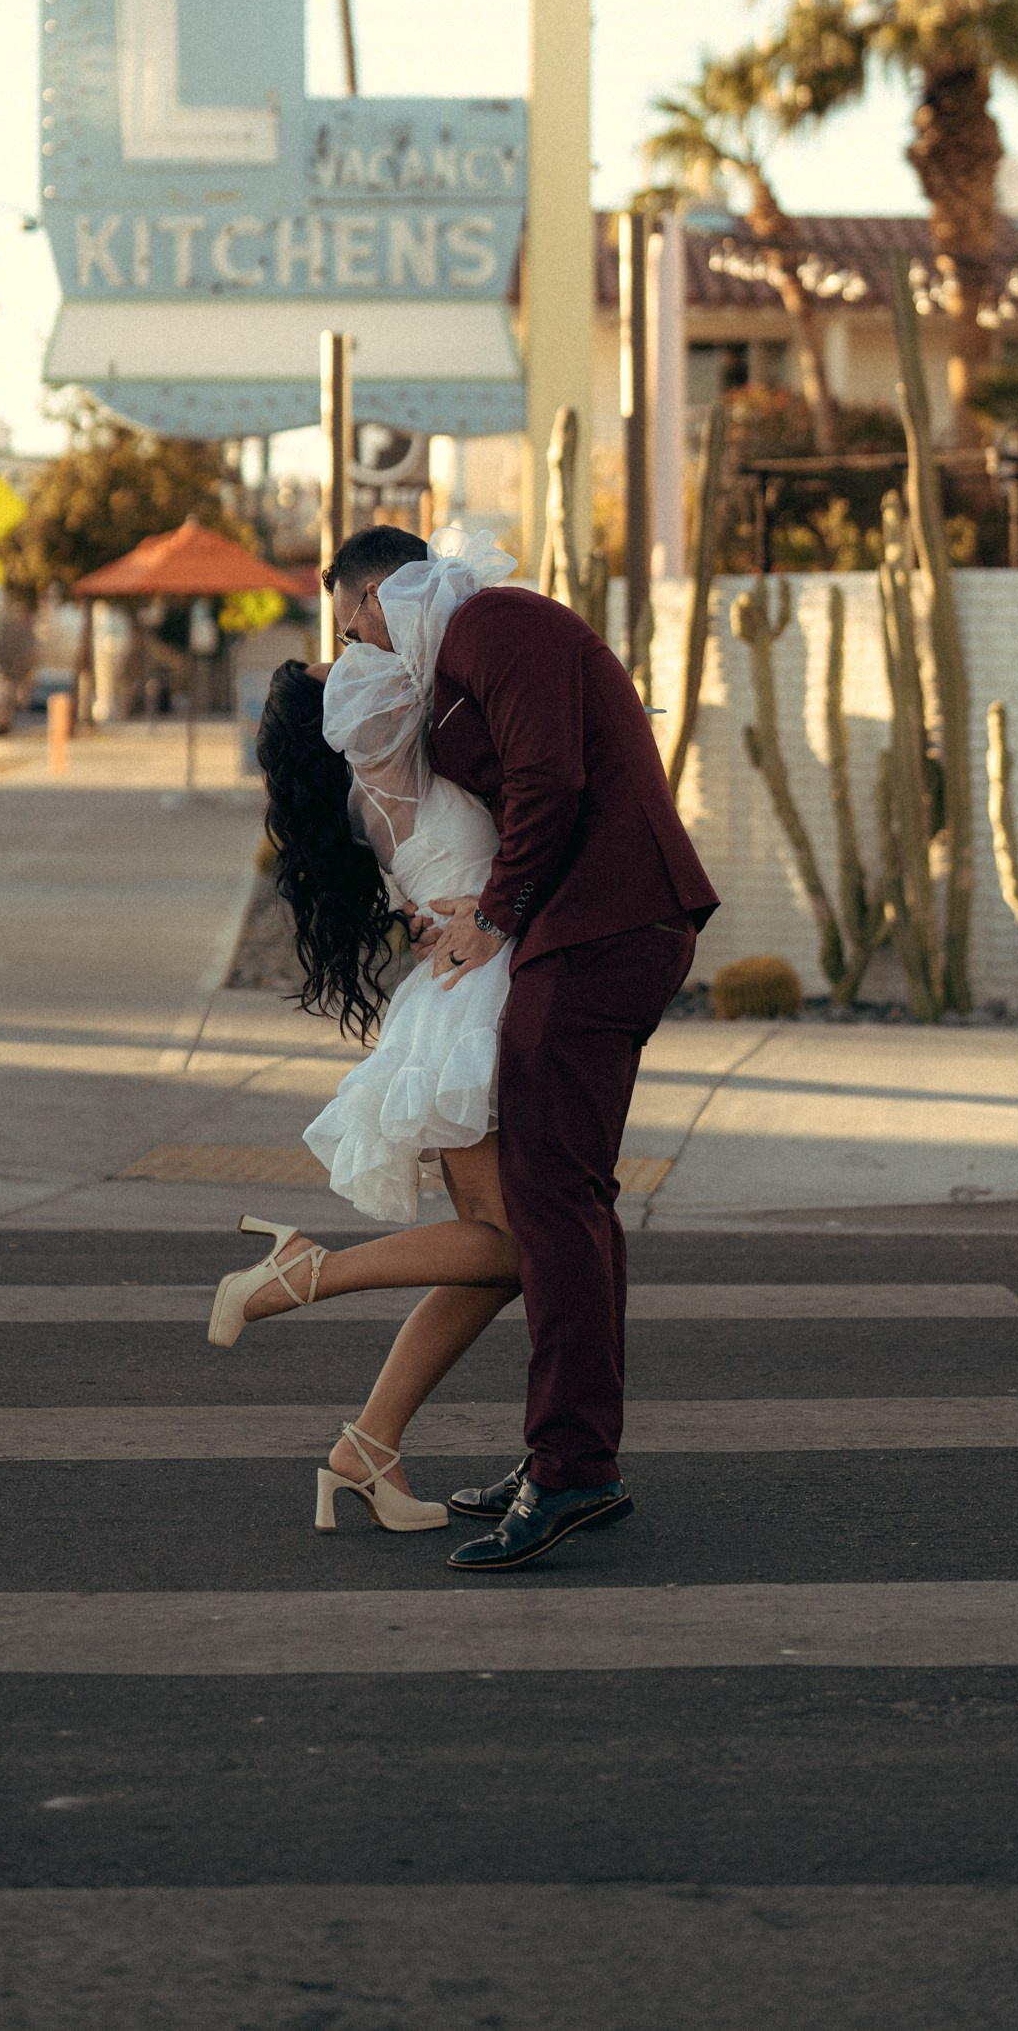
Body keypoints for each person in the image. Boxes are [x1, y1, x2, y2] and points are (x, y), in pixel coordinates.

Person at [327, 519, 717, 1573]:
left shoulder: (494, 625)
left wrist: (492, 917)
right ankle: (572, 1455)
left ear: (370, 596)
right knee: (568, 1200)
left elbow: (550, 780)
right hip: (579, 928)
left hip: (604, 924)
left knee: (548, 1197)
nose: (358, 651)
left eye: (351, 628)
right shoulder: (466, 651)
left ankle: (573, 1469)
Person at [218, 536, 525, 1534]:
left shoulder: (373, 774)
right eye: (329, 661)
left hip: (462, 987)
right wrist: (386, 595)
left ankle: (365, 1449)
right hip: (474, 996)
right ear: (332, 711)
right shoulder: (381, 731)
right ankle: (301, 1270)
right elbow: (427, 635)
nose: (346, 649)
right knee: (511, 1248)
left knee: (499, 1250)